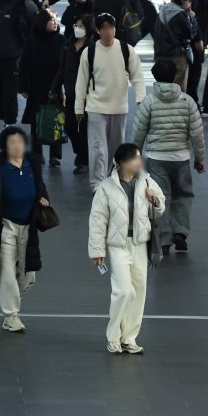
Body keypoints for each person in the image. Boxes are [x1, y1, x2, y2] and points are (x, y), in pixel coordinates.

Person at [0, 126, 50, 332]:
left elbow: (40, 188)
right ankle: (11, 315)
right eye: (12, 142)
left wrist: (44, 199)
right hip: (5, 226)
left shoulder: (32, 164)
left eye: (20, 141)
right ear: (5, 146)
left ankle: (8, 295)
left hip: (28, 227)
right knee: (6, 269)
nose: (17, 146)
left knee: (28, 274)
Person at [88, 143, 165, 354]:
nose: (138, 162)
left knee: (139, 291)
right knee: (123, 291)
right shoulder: (106, 187)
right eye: (133, 158)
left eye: (139, 157)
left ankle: (129, 338)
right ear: (121, 162)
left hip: (140, 243)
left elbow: (160, 207)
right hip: (117, 245)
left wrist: (155, 200)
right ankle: (113, 336)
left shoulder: (147, 181)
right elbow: (97, 220)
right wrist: (97, 250)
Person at [133, 58, 205, 255]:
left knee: (159, 197)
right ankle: (180, 231)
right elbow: (197, 133)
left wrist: (134, 155)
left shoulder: (149, 101)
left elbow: (139, 131)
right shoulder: (187, 101)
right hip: (181, 158)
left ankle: (164, 239)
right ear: (174, 76)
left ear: (155, 77)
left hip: (156, 158)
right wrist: (200, 158)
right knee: (183, 194)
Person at [74, 13, 146, 191]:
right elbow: (81, 81)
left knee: (116, 149)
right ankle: (97, 184)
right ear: (98, 30)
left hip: (119, 107)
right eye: (104, 28)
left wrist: (140, 99)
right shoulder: (89, 52)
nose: (108, 32)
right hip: (95, 106)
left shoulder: (126, 50)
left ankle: (112, 180)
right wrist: (79, 107)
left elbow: (137, 76)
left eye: (111, 28)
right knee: (98, 148)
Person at [20, 9, 66, 166]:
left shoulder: (61, 40)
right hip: (36, 86)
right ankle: (36, 153)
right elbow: (24, 64)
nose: (55, 22)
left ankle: (55, 155)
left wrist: (63, 88)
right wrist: (23, 86)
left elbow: (65, 65)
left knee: (56, 119)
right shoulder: (32, 40)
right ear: (42, 22)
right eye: (51, 19)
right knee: (36, 120)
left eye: (55, 19)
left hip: (55, 85)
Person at [51, 13, 95, 174]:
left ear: (88, 29)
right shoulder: (68, 46)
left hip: (87, 95)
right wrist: (54, 88)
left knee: (83, 129)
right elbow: (61, 69)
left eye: (81, 26)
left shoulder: (93, 48)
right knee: (69, 126)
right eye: (76, 25)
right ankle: (80, 152)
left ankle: (83, 160)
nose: (78, 28)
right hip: (71, 93)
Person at [178, 0, 208, 104]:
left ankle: (192, 100)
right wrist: (198, 38)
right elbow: (192, 18)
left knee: (194, 69)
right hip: (192, 38)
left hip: (194, 35)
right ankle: (192, 101)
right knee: (194, 70)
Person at [153, 0, 195, 91]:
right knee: (178, 88)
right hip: (176, 55)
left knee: (163, 87)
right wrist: (192, 18)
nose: (190, 4)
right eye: (189, 1)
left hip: (161, 54)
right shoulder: (179, 14)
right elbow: (190, 34)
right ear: (183, 0)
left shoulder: (163, 10)